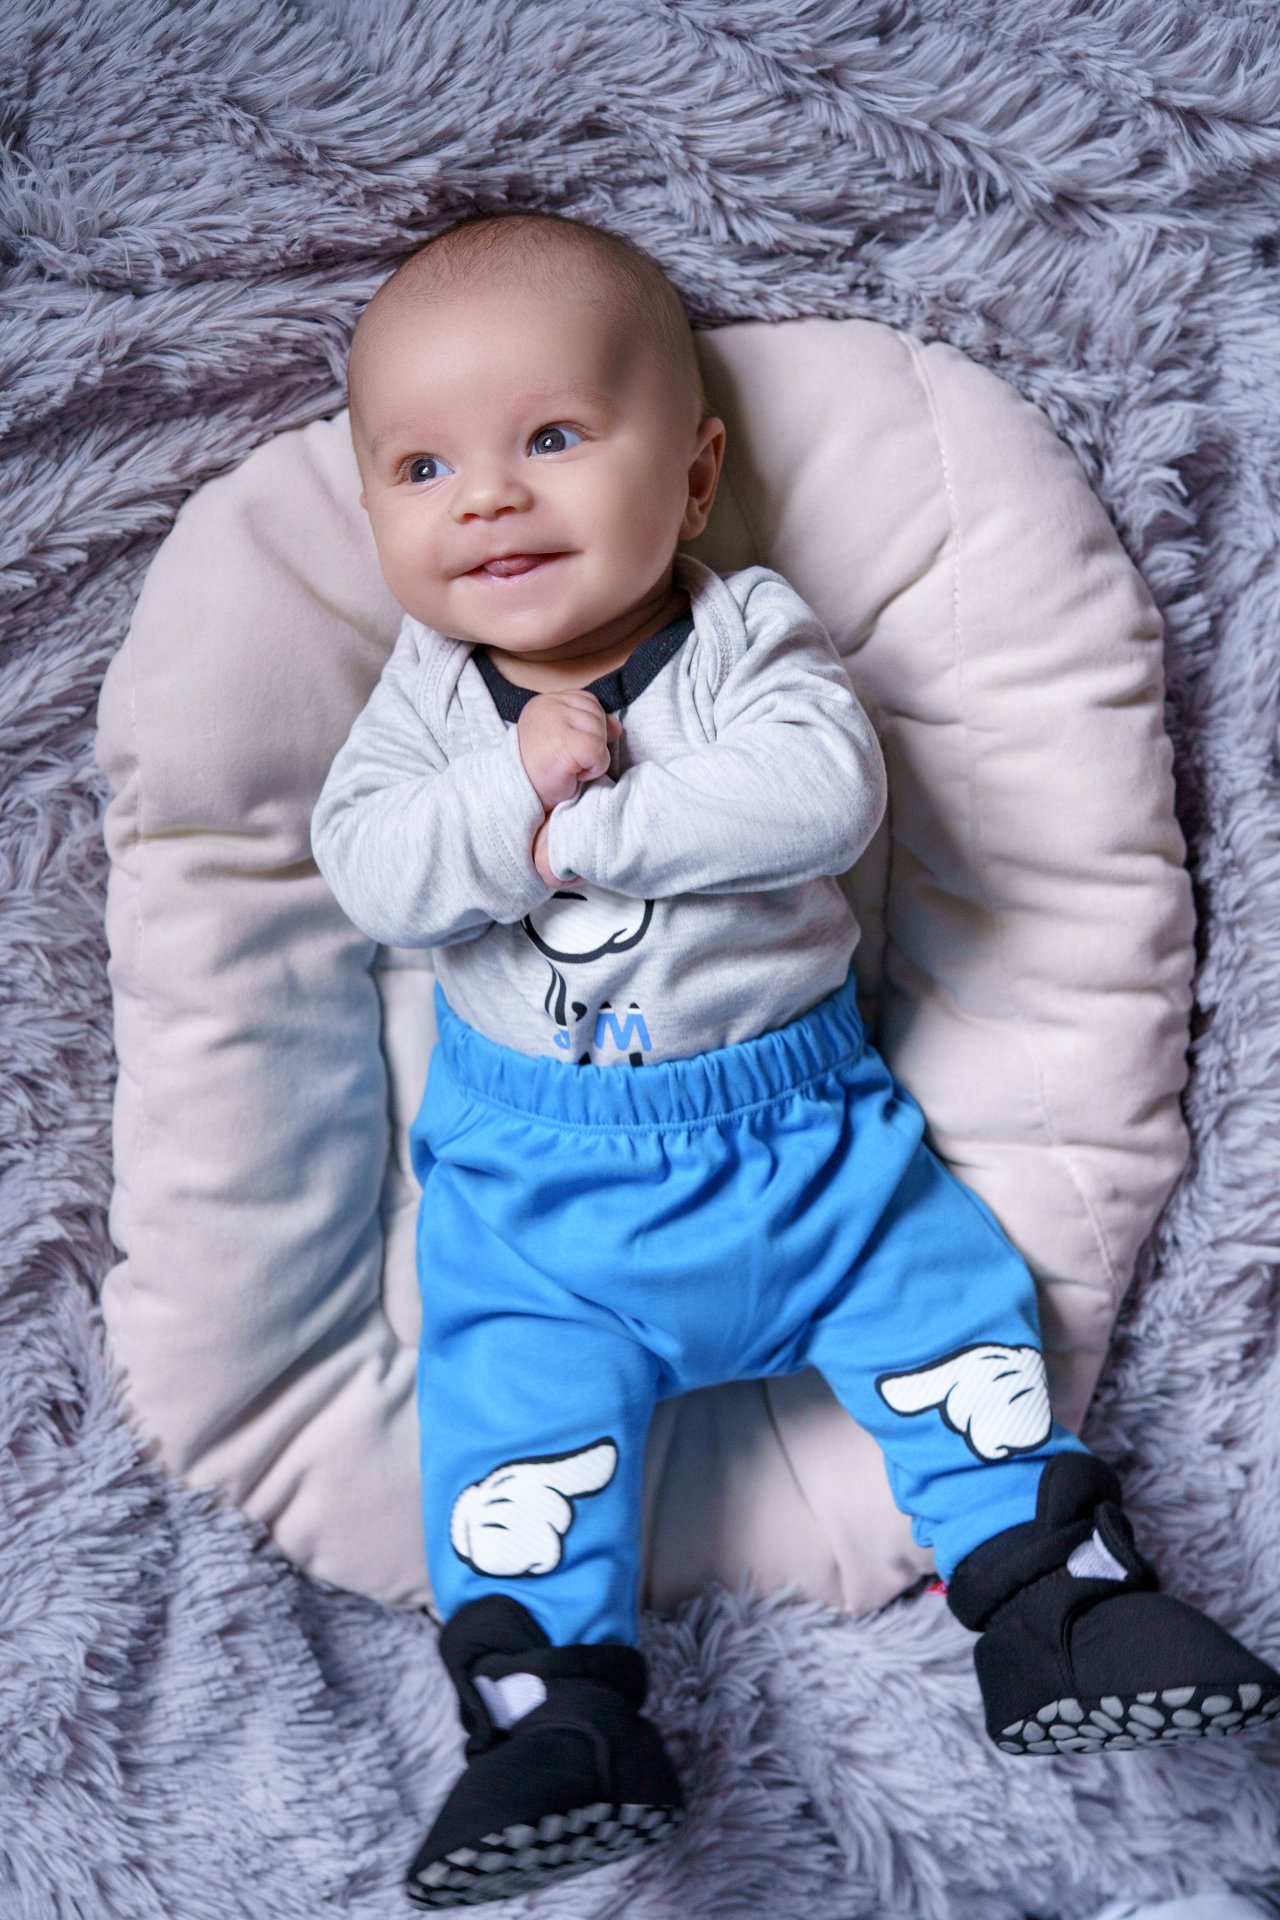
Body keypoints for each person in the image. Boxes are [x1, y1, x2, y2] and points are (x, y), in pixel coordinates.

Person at [310, 210, 1280, 1911]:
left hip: (807, 1148)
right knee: (508, 1443)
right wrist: (506, 795)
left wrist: (584, 821)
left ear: (693, 480)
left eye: (552, 438)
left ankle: (1055, 1598)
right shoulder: (425, 706)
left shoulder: (743, 633)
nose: (488, 499)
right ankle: (553, 1712)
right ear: (375, 508)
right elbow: (373, 874)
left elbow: (819, 797)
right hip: (538, 1205)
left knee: (953, 1323)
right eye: (423, 467)